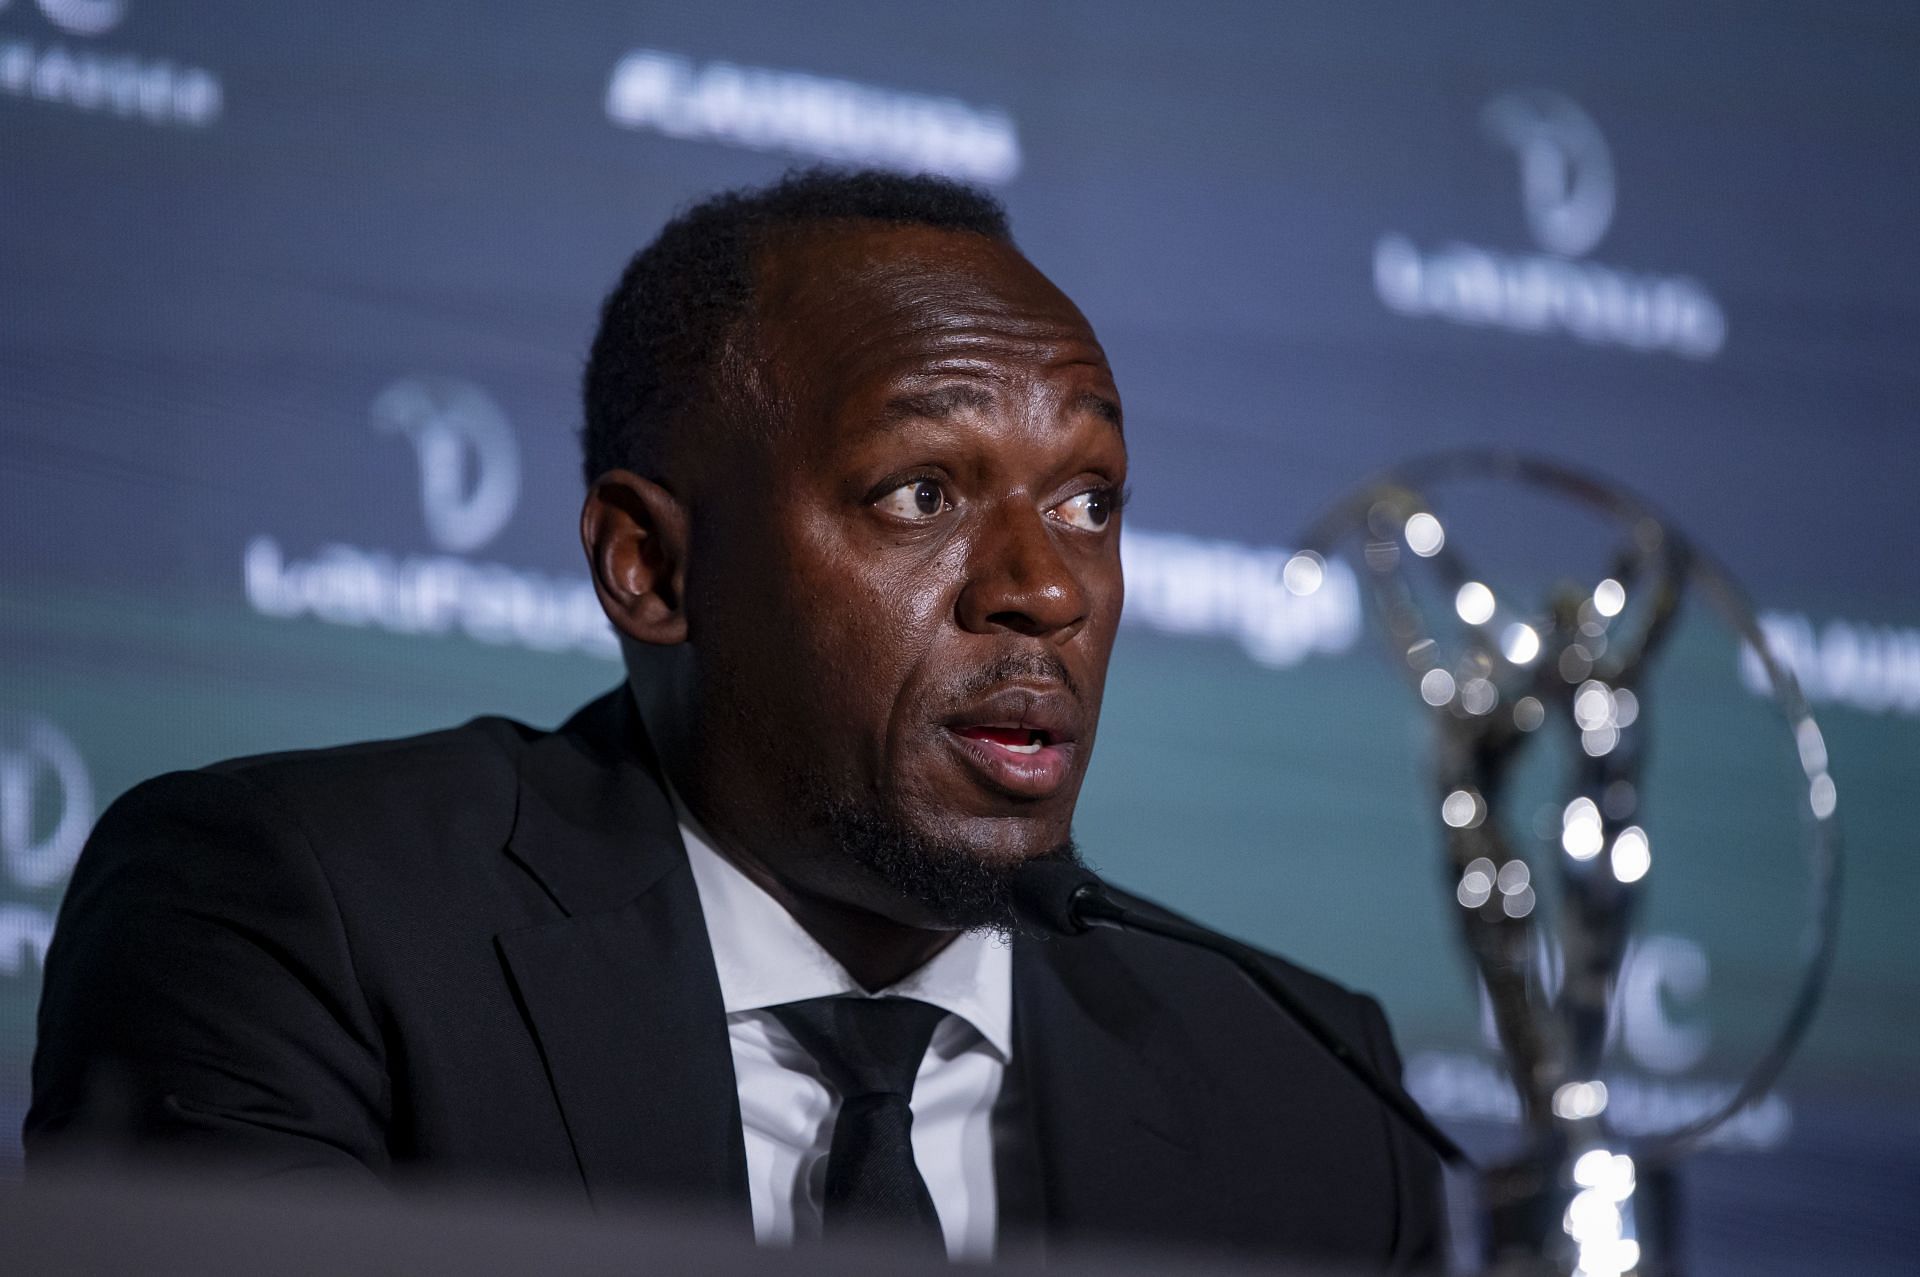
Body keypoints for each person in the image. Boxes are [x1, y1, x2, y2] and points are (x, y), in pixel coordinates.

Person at [27, 169, 1442, 1269]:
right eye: (922, 495)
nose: (1044, 588)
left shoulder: (1310, 1101)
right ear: (650, 566)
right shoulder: (295, 922)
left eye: (1090, 501)